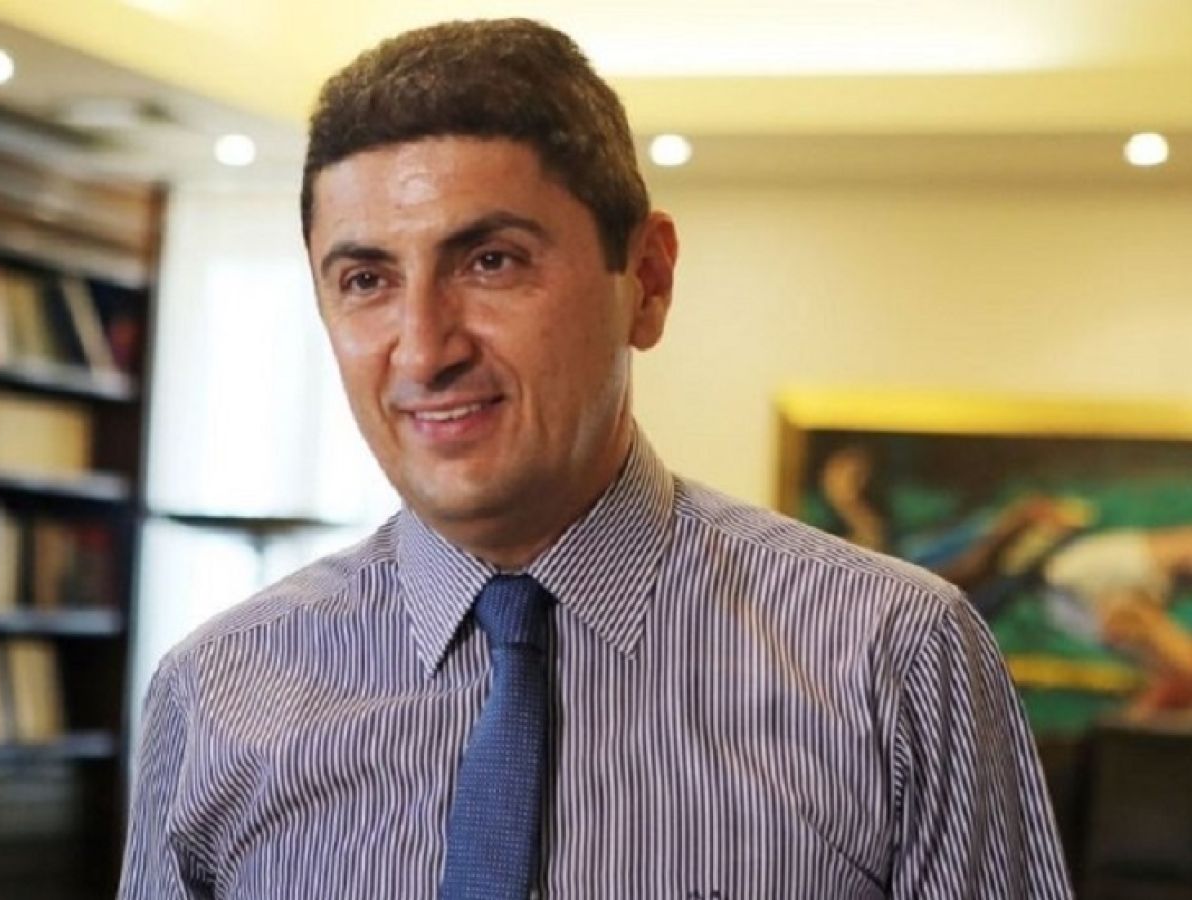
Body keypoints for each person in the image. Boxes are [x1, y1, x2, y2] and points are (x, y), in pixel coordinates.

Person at [118, 19, 1072, 899]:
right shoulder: (217, 692)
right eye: (367, 279)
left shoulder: (892, 658)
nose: (423, 351)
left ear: (646, 282)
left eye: (490, 261)